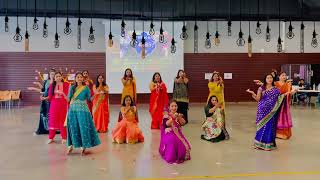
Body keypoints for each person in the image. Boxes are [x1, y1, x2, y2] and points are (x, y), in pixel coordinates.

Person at [246, 74, 296, 151]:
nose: (269, 79)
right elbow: (258, 99)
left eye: (271, 78)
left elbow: (281, 97)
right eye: (268, 78)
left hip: (272, 111)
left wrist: (291, 92)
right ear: (265, 79)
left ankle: (268, 145)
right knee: (262, 127)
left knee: (270, 127)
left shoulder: (276, 89)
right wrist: (252, 93)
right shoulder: (261, 88)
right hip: (262, 110)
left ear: (272, 79)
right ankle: (258, 144)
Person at [65, 72, 101, 155]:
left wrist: (95, 94)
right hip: (73, 110)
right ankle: (71, 146)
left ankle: (83, 146)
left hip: (83, 111)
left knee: (83, 127)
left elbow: (90, 99)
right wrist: (63, 94)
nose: (79, 78)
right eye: (78, 77)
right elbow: (68, 100)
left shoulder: (86, 88)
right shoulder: (72, 88)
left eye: (81, 77)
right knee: (73, 128)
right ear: (75, 79)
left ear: (83, 78)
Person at [28, 68, 56, 135]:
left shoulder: (55, 83)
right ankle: (44, 129)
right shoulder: (46, 81)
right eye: (51, 74)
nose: (52, 75)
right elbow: (43, 90)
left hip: (51, 101)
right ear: (49, 74)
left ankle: (52, 129)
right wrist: (36, 86)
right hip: (45, 101)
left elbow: (52, 93)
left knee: (51, 115)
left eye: (54, 74)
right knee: (44, 115)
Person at [47, 72, 69, 144]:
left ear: (62, 77)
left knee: (62, 120)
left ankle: (64, 137)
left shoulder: (66, 84)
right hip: (54, 104)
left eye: (59, 76)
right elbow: (49, 97)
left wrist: (62, 93)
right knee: (53, 119)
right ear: (54, 78)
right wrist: (44, 98)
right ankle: (51, 137)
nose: (58, 77)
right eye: (57, 76)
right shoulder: (51, 85)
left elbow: (68, 95)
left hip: (63, 104)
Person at [207, 71, 229, 139]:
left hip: (220, 102)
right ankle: (213, 132)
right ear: (212, 77)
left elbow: (221, 91)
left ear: (219, 77)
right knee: (213, 117)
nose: (216, 77)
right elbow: (216, 90)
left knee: (221, 117)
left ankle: (223, 132)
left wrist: (221, 83)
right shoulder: (210, 83)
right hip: (212, 101)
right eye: (214, 76)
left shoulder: (221, 84)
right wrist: (219, 83)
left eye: (217, 76)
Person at [275, 72, 296, 139]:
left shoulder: (288, 84)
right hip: (277, 103)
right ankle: (276, 133)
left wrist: (293, 92)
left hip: (285, 104)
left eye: (285, 75)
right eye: (282, 75)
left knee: (284, 118)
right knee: (276, 118)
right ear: (279, 76)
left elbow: (290, 94)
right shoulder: (275, 83)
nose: (284, 76)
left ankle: (284, 134)